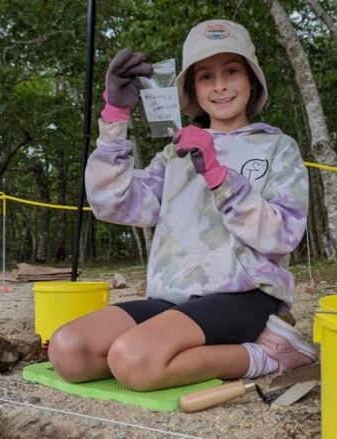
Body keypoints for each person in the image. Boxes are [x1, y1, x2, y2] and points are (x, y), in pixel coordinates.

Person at [48, 19, 316, 391]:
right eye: (205, 76)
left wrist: (220, 176)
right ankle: (180, 344)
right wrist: (114, 118)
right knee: (69, 351)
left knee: (134, 362)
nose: (220, 85)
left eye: (231, 71)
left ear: (252, 80)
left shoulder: (277, 147)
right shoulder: (175, 154)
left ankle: (272, 353)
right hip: (172, 298)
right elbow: (113, 203)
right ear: (191, 88)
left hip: (244, 294)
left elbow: (281, 235)